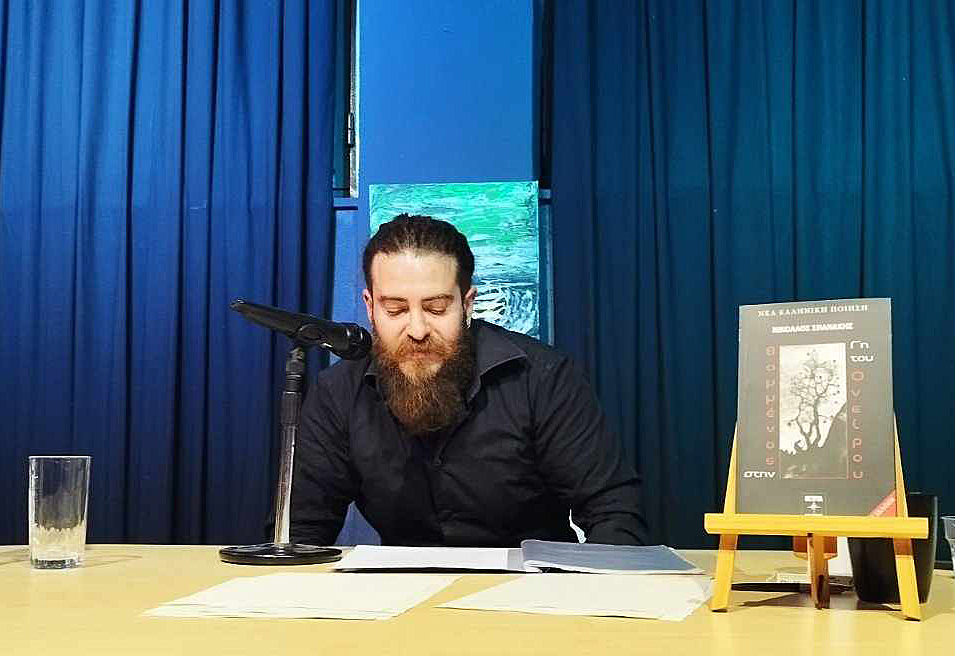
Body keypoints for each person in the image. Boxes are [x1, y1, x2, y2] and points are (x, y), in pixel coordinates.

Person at [290, 214, 646, 547]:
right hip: (403, 591)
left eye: (436, 308)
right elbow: (301, 532)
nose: (417, 330)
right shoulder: (337, 394)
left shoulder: (544, 379)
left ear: (467, 303)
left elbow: (615, 514)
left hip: (534, 588)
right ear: (370, 307)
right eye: (395, 310)